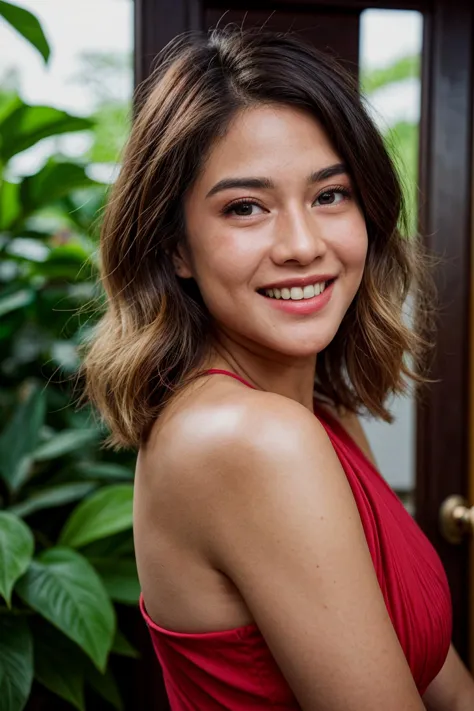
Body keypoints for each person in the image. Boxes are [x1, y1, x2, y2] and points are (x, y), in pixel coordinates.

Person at [80, 26, 474, 711]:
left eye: (330, 195)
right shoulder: (253, 439)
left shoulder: (316, 403)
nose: (302, 244)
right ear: (175, 246)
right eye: (246, 208)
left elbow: (442, 677)